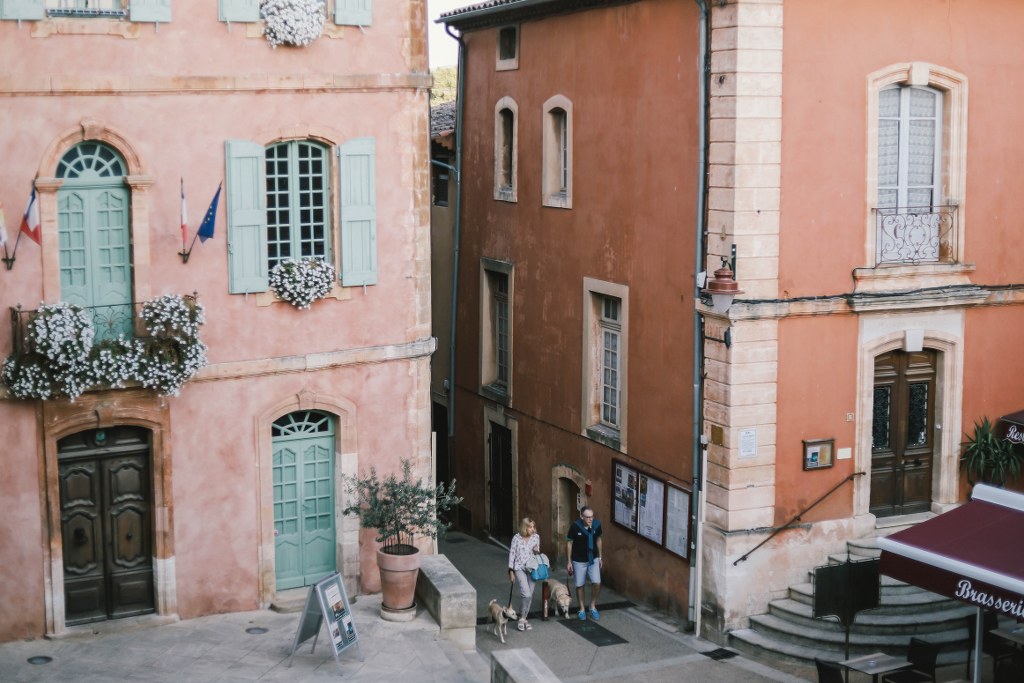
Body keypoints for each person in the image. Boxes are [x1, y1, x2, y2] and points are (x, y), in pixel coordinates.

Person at [566, 505, 603, 621]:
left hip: (593, 559)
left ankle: (592, 606)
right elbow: (569, 543)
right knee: (579, 585)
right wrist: (569, 561)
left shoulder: (597, 525)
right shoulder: (575, 527)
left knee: (597, 582)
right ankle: (581, 609)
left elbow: (599, 540)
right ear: (582, 517)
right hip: (579, 560)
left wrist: (600, 557)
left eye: (592, 517)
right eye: (588, 517)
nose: (590, 519)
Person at [507, 516, 541, 631]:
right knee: (526, 594)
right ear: (524, 528)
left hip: (532, 569)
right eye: (530, 527)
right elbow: (512, 554)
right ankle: (522, 618)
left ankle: (523, 618)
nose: (532, 529)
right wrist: (511, 571)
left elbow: (537, 553)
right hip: (519, 568)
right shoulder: (516, 538)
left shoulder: (536, 537)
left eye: (533, 527)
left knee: (529, 595)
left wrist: (537, 551)